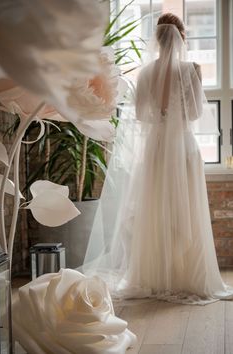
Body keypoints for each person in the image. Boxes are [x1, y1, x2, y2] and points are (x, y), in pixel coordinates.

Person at [81, 13, 233, 305]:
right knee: (185, 209)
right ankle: (186, 275)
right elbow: (196, 114)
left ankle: (155, 276)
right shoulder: (192, 69)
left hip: (155, 147)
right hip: (183, 146)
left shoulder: (146, 73)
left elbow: (139, 116)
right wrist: (176, 116)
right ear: (182, 36)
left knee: (155, 208)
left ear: (157, 40)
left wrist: (162, 117)